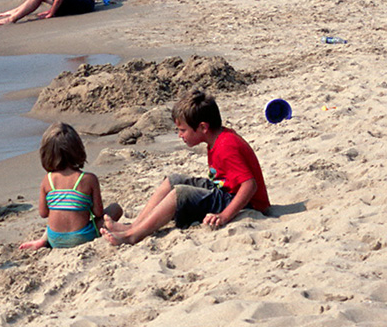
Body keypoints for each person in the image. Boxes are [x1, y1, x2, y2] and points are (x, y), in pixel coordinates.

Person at [103, 89, 269, 245]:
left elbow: (249, 185)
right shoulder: (218, 139)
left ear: (203, 127)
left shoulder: (227, 146)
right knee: (173, 180)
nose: (179, 135)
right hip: (225, 191)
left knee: (181, 194)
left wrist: (225, 216)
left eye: (183, 130)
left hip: (248, 204)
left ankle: (133, 236)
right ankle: (134, 226)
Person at [19, 123, 122, 251]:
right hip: (81, 237)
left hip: (54, 238)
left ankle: (42, 240)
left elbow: (43, 213)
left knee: (56, 217)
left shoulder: (48, 180)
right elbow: (98, 212)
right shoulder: (89, 179)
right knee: (115, 209)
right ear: (78, 149)